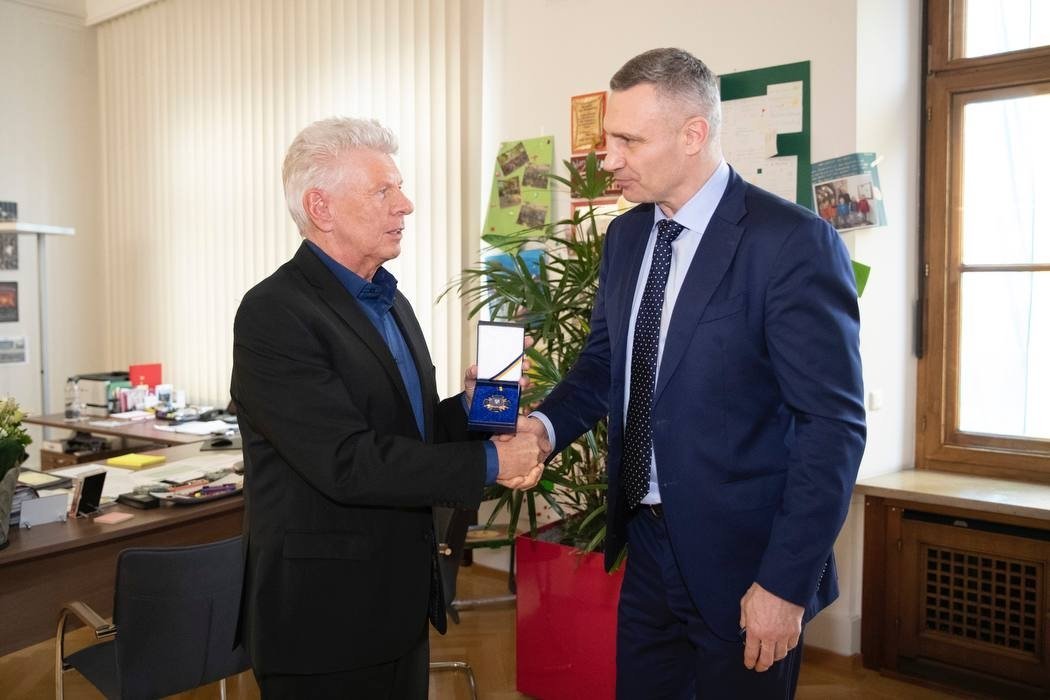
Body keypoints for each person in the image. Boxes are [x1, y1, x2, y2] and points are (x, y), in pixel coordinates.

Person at [521, 48, 866, 698]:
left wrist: (784, 583)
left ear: (693, 134)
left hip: (747, 563)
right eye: (608, 140)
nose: (609, 160)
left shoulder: (789, 243)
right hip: (647, 545)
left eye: (628, 140)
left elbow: (832, 426)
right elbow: (604, 364)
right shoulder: (626, 238)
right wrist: (542, 428)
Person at [231, 117, 545, 699]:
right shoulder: (274, 312)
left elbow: (408, 435)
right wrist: (494, 463)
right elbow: (347, 461)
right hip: (323, 622)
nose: (406, 204)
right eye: (383, 191)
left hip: (399, 602)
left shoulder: (389, 299)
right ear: (321, 207)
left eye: (399, 187)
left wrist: (471, 409)